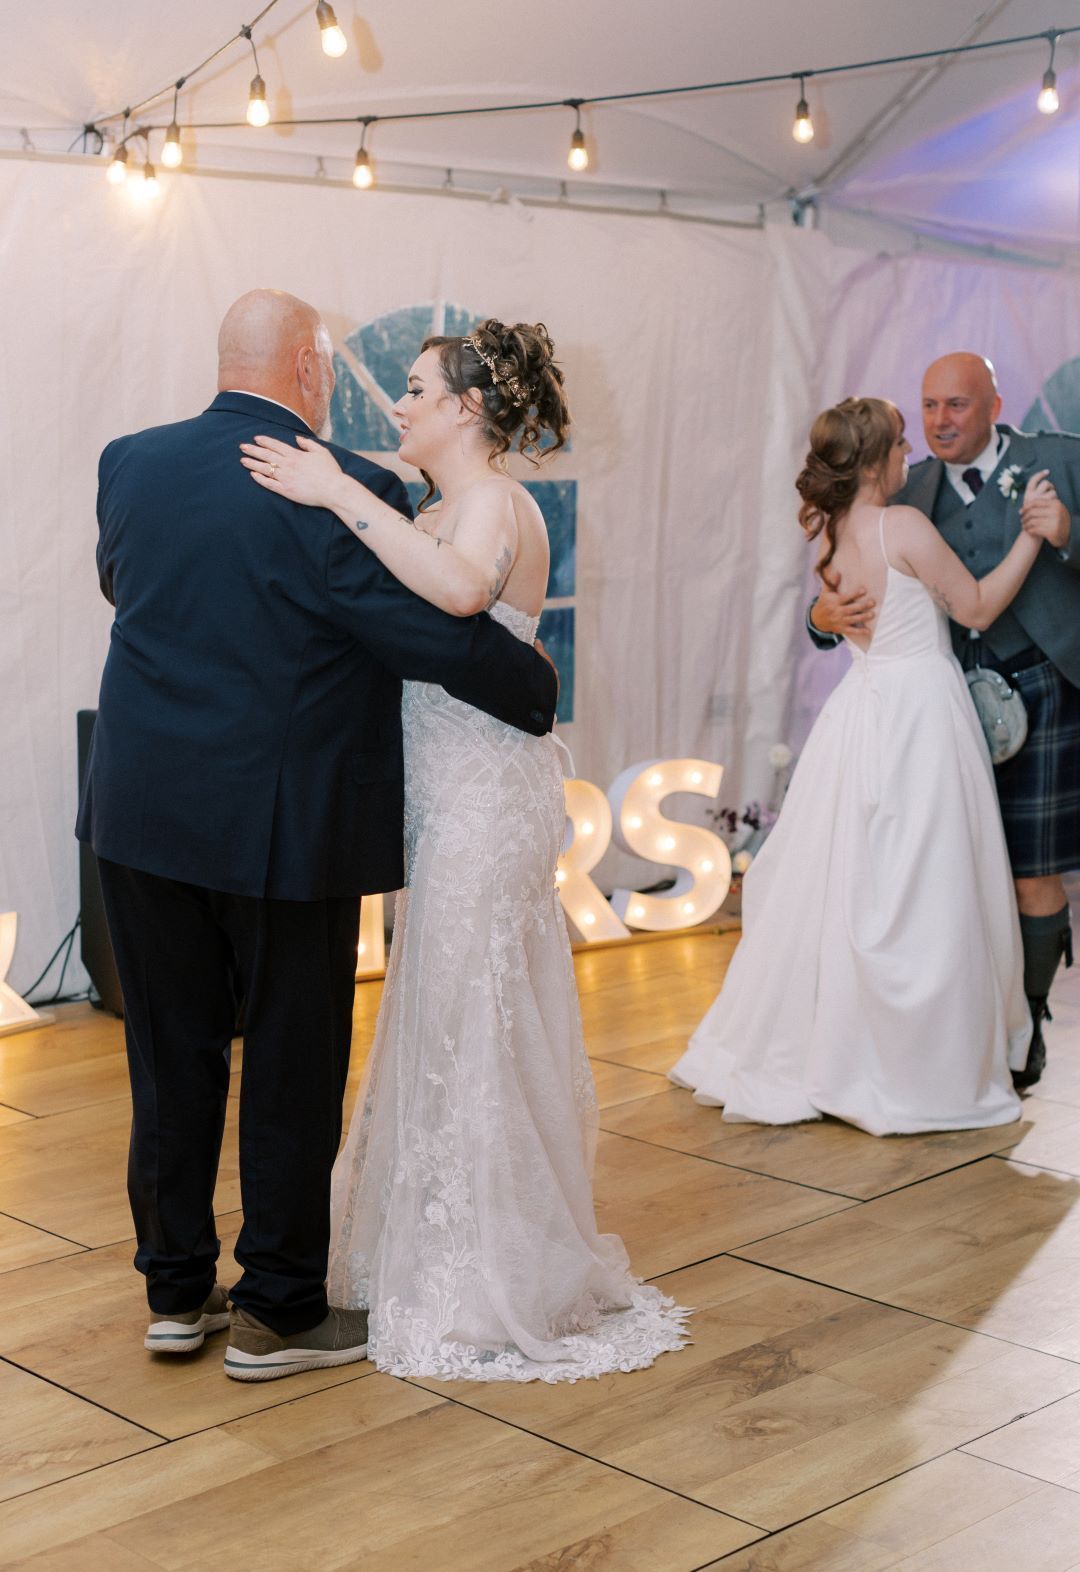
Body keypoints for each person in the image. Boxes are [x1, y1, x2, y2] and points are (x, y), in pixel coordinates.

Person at [76, 290, 560, 1382]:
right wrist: (530, 684)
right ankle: (280, 1312)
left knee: (170, 1060)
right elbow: (416, 632)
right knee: (291, 1066)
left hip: (140, 815)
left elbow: (128, 586)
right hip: (282, 826)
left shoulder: (130, 464)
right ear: (309, 371)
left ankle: (173, 1293)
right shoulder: (345, 490)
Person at [243, 318, 688, 1381]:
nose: (397, 403)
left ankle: (490, 1273)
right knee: (438, 1009)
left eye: (415, 388)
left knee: (469, 1015)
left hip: (488, 794)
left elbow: (458, 596)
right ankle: (429, 1248)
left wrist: (340, 496)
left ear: (467, 409)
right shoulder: (439, 503)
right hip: (443, 792)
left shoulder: (496, 503)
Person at [670, 397, 1052, 1135]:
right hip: (920, 714)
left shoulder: (835, 527)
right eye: (900, 441)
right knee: (926, 884)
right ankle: (913, 1061)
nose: (910, 451)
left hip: (860, 711)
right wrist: (1031, 541)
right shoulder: (902, 523)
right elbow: (973, 609)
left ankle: (841, 1044)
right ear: (877, 458)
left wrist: (821, 616)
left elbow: (835, 611)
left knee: (852, 884)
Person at [809, 354, 1078, 1089]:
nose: (939, 423)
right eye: (927, 408)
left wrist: (1068, 533)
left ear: (995, 401)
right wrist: (819, 616)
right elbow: (852, 596)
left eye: (956, 405)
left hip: (1046, 689)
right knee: (948, 877)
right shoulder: (909, 490)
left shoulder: (1056, 462)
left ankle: (1024, 1023)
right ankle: (949, 1034)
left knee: (1028, 878)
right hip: (946, 708)